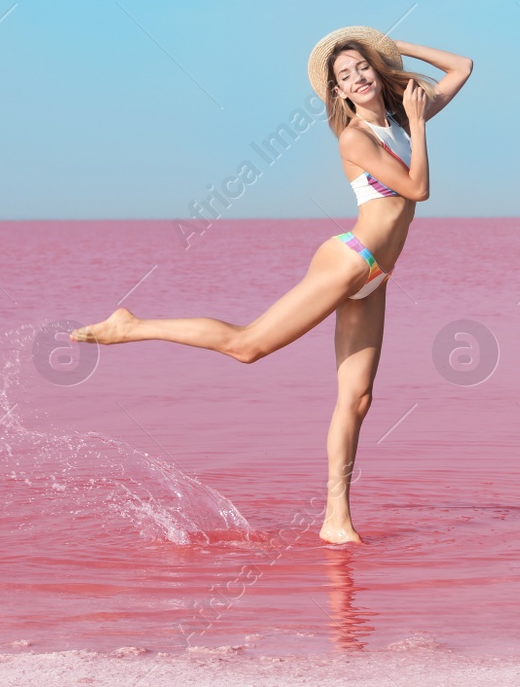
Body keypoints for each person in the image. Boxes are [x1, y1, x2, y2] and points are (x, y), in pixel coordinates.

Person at [73, 27, 473, 543]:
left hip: (377, 277)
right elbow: (419, 187)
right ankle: (133, 325)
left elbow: (461, 65)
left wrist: (394, 46)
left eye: (363, 67)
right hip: (350, 261)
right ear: (339, 94)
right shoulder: (359, 136)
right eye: (344, 77)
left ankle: (336, 520)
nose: (357, 78)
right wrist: (419, 124)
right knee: (248, 346)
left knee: (357, 399)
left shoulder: (397, 119)